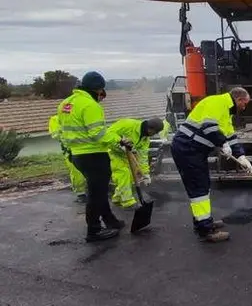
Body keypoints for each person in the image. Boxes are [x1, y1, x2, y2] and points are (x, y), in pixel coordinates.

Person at [171, 87, 252, 243]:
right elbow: (209, 127)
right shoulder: (217, 102)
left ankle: (203, 221)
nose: (244, 107)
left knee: (202, 186)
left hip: (194, 150)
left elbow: (230, 136)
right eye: (245, 104)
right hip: (187, 148)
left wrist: (241, 156)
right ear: (239, 99)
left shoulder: (226, 111)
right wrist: (223, 143)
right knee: (199, 188)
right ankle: (205, 229)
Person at [57, 71, 130, 242]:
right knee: (96, 194)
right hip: (94, 155)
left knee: (99, 191)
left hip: (77, 155)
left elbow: (62, 131)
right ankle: (94, 231)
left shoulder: (66, 104)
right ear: (98, 89)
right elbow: (98, 134)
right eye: (101, 90)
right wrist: (119, 140)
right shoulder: (90, 105)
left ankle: (110, 220)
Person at [106, 117, 165, 209]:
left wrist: (145, 174)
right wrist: (119, 142)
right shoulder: (128, 124)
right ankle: (127, 202)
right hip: (112, 152)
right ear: (150, 129)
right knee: (124, 173)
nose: (155, 134)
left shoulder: (145, 140)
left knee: (130, 176)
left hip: (126, 156)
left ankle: (118, 198)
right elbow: (108, 133)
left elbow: (143, 157)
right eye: (155, 132)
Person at [48, 114, 87, 203]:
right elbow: (57, 135)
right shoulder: (56, 119)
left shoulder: (78, 116)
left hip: (85, 149)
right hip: (71, 151)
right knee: (77, 172)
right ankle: (81, 194)